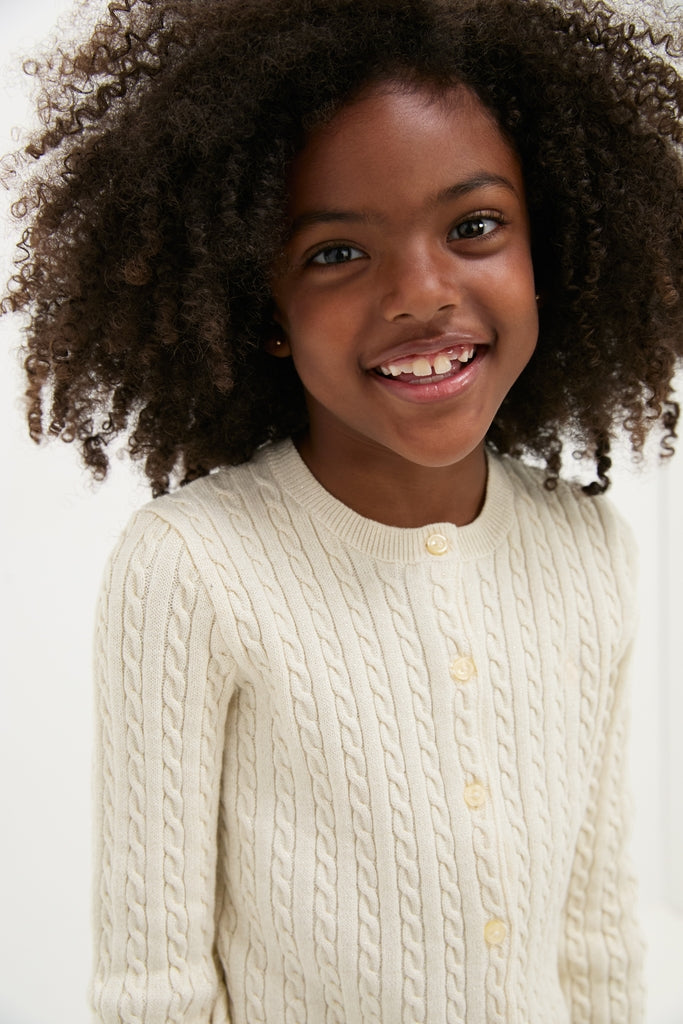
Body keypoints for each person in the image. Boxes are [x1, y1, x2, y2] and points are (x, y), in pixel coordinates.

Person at [2, 0, 683, 1020]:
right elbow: (156, 985)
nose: (420, 292)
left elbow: (594, 942)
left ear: (555, 253)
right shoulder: (194, 568)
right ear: (260, 305)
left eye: (473, 226)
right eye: (334, 251)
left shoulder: (588, 553)